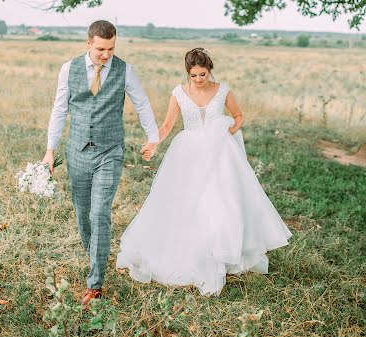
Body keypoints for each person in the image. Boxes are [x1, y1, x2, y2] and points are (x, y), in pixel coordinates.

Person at [117, 47, 292, 296]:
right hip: (187, 153)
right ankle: (187, 250)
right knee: (185, 201)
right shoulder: (178, 93)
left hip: (220, 153)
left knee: (221, 201)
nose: (199, 80)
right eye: (194, 76)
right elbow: (167, 124)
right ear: (187, 73)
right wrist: (153, 142)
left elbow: (239, 116)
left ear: (209, 70)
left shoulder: (223, 90)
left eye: (203, 74)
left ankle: (221, 251)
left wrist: (226, 134)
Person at [41, 20, 159, 307]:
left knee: (100, 213)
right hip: (77, 152)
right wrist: (49, 150)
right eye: (100, 49)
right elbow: (60, 109)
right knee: (83, 214)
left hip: (110, 151)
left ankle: (95, 284)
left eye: (111, 48)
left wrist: (152, 137)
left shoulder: (125, 70)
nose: (106, 54)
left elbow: (141, 103)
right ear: (88, 43)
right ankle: (95, 255)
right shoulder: (69, 69)